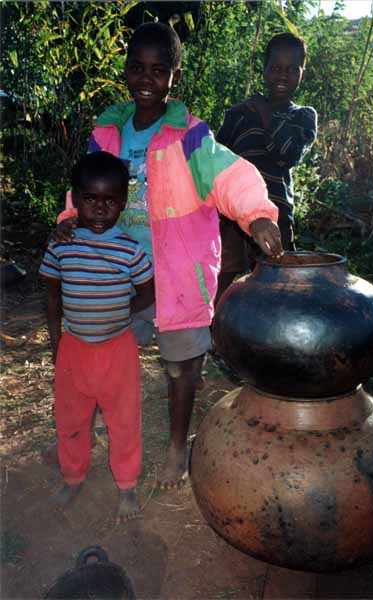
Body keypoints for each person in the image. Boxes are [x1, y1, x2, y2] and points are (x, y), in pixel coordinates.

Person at [55, 22, 283, 491]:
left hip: (178, 278)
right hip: (118, 273)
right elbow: (85, 183)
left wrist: (257, 215)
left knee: (181, 368)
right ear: (125, 71)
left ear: (174, 76)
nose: (146, 79)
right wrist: (69, 218)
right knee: (101, 352)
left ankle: (178, 447)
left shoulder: (189, 135)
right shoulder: (107, 133)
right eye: (137, 68)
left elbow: (230, 174)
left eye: (159, 70)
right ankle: (97, 424)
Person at [39, 151, 154, 522]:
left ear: (122, 203)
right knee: (70, 417)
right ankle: (73, 477)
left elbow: (149, 291)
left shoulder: (130, 251)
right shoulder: (61, 244)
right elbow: (53, 296)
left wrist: (120, 311)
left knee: (124, 420)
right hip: (74, 348)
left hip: (117, 351)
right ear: (76, 199)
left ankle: (127, 485)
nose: (100, 208)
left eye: (109, 200)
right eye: (90, 199)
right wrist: (57, 345)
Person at [215, 32, 317, 303]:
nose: (282, 75)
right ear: (264, 70)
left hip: (275, 213)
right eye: (275, 68)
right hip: (233, 215)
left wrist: (264, 111)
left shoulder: (302, 117)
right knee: (223, 274)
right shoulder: (238, 114)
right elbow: (216, 161)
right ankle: (216, 336)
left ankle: (272, 339)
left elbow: (286, 154)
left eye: (291, 69)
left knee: (276, 281)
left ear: (301, 73)